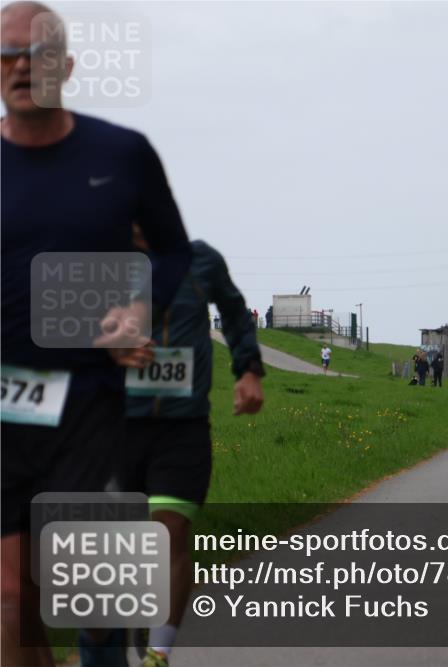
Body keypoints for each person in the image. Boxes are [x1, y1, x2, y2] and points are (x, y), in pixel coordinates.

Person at [1, 4, 192, 666]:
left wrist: (137, 311)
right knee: (11, 597)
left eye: (40, 53)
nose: (22, 66)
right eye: (7, 54)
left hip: (95, 406)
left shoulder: (122, 153)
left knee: (95, 603)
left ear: (68, 66)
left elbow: (172, 253)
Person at [113, 230, 265, 667]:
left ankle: (158, 653)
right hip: (113, 425)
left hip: (182, 427)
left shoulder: (201, 260)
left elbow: (235, 313)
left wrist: (248, 368)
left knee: (170, 531)